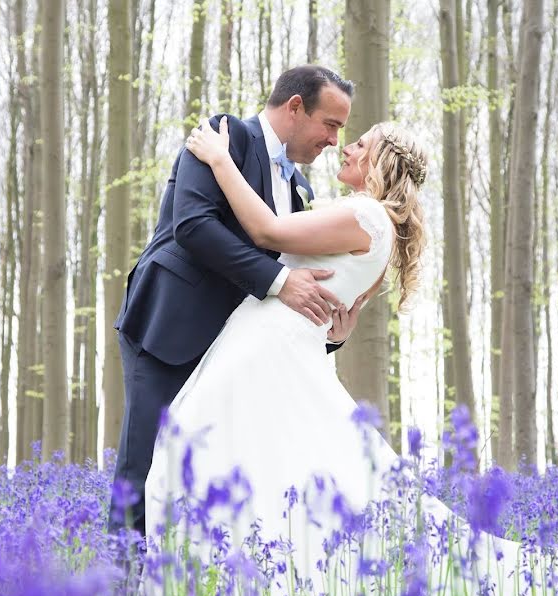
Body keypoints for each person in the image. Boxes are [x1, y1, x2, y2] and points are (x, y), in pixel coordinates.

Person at [144, 118, 558, 596]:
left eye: (358, 144)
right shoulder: (379, 228)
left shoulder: (366, 215)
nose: (344, 148)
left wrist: (218, 157)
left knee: (193, 446)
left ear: (379, 162)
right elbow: (341, 315)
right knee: (256, 464)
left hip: (266, 348)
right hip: (280, 348)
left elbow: (267, 231)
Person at [108, 65, 367, 536]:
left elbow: (293, 284)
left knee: (213, 481)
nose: (334, 140)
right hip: (172, 330)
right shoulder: (223, 137)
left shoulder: (300, 189)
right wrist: (279, 280)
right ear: (295, 108)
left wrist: (329, 336)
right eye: (330, 124)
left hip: (237, 356)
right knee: (145, 470)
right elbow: (192, 226)